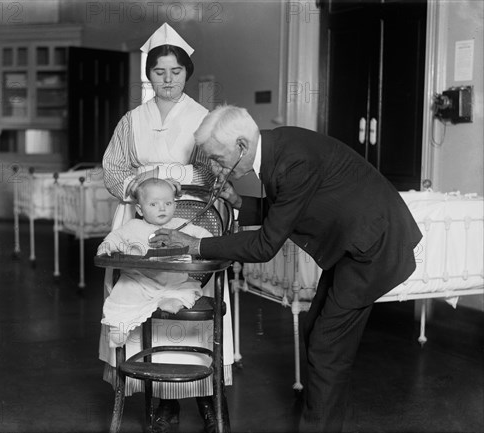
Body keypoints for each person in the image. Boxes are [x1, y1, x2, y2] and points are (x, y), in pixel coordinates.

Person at [150, 105, 423, 432]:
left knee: (326, 346)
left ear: (241, 146)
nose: (213, 166)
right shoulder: (279, 149)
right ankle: (329, 415)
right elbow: (287, 210)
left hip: (373, 246)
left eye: (217, 158)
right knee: (316, 333)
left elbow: (266, 245)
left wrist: (195, 244)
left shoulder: (293, 161)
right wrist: (238, 202)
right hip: (353, 241)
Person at [99, 24, 234, 433]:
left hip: (190, 216)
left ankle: (208, 399)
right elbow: (114, 168)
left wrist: (177, 177)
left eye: (176, 71)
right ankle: (162, 400)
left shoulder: (203, 119)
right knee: (141, 294)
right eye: (159, 71)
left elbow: (216, 170)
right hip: (139, 218)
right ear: (149, 74)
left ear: (186, 73)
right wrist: (141, 185)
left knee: (191, 297)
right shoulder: (132, 119)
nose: (168, 79)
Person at [98, 178, 212, 347]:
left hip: (173, 281)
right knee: (123, 290)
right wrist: (106, 247)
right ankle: (119, 325)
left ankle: (169, 301)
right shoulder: (133, 226)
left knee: (188, 288)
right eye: (153, 204)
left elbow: (205, 237)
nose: (162, 208)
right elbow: (115, 238)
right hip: (140, 281)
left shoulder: (181, 225)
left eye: (168, 203)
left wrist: (211, 242)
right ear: (140, 209)